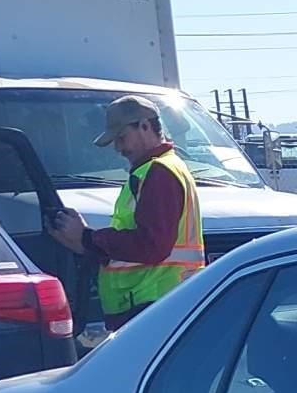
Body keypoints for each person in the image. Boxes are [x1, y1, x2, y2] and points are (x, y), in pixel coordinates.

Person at [46, 95, 205, 331]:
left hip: (152, 306)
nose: (119, 148)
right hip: (157, 303)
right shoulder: (156, 169)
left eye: (122, 138)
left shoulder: (158, 172)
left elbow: (152, 245)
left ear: (145, 126)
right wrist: (88, 245)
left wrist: (89, 238)